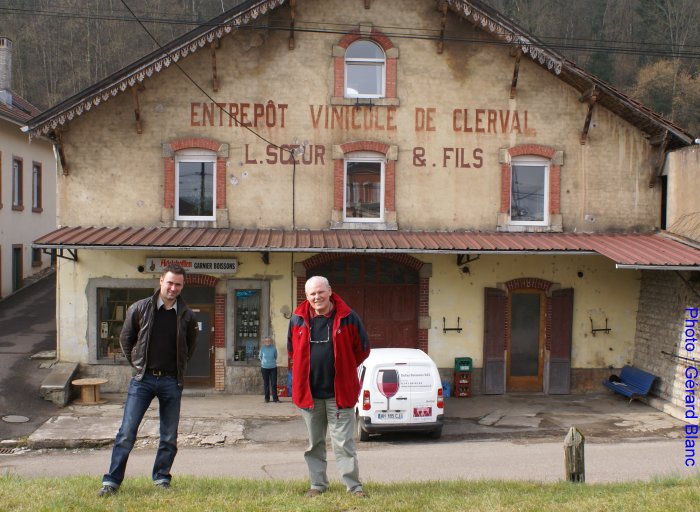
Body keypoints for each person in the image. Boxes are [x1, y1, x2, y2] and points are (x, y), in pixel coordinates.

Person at [98, 264, 198, 496]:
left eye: (178, 285)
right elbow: (126, 339)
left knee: (169, 436)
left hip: (171, 382)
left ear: (183, 286)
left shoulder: (187, 315)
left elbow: (190, 346)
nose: (173, 288)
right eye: (170, 283)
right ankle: (111, 482)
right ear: (161, 281)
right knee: (126, 433)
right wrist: (137, 364)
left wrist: (177, 370)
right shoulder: (140, 308)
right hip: (142, 380)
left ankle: (161, 478)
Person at [287, 275, 370, 498]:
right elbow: (291, 351)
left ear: (330, 291)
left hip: (339, 394)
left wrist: (343, 368)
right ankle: (317, 485)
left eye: (320, 292)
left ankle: (354, 487)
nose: (317, 297)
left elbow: (362, 350)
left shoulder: (348, 317)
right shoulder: (297, 319)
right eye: (312, 294)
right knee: (314, 444)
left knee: (344, 443)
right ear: (306, 296)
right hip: (310, 395)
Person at [259, 336, 279, 403]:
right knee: (266, 383)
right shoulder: (262, 349)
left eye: (269, 341)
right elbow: (260, 357)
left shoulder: (273, 348)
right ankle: (267, 399)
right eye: (266, 341)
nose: (268, 342)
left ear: (271, 342)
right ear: (264, 342)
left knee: (273, 384)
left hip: (273, 368)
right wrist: (264, 363)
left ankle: (275, 399)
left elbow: (275, 356)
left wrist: (271, 362)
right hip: (264, 368)